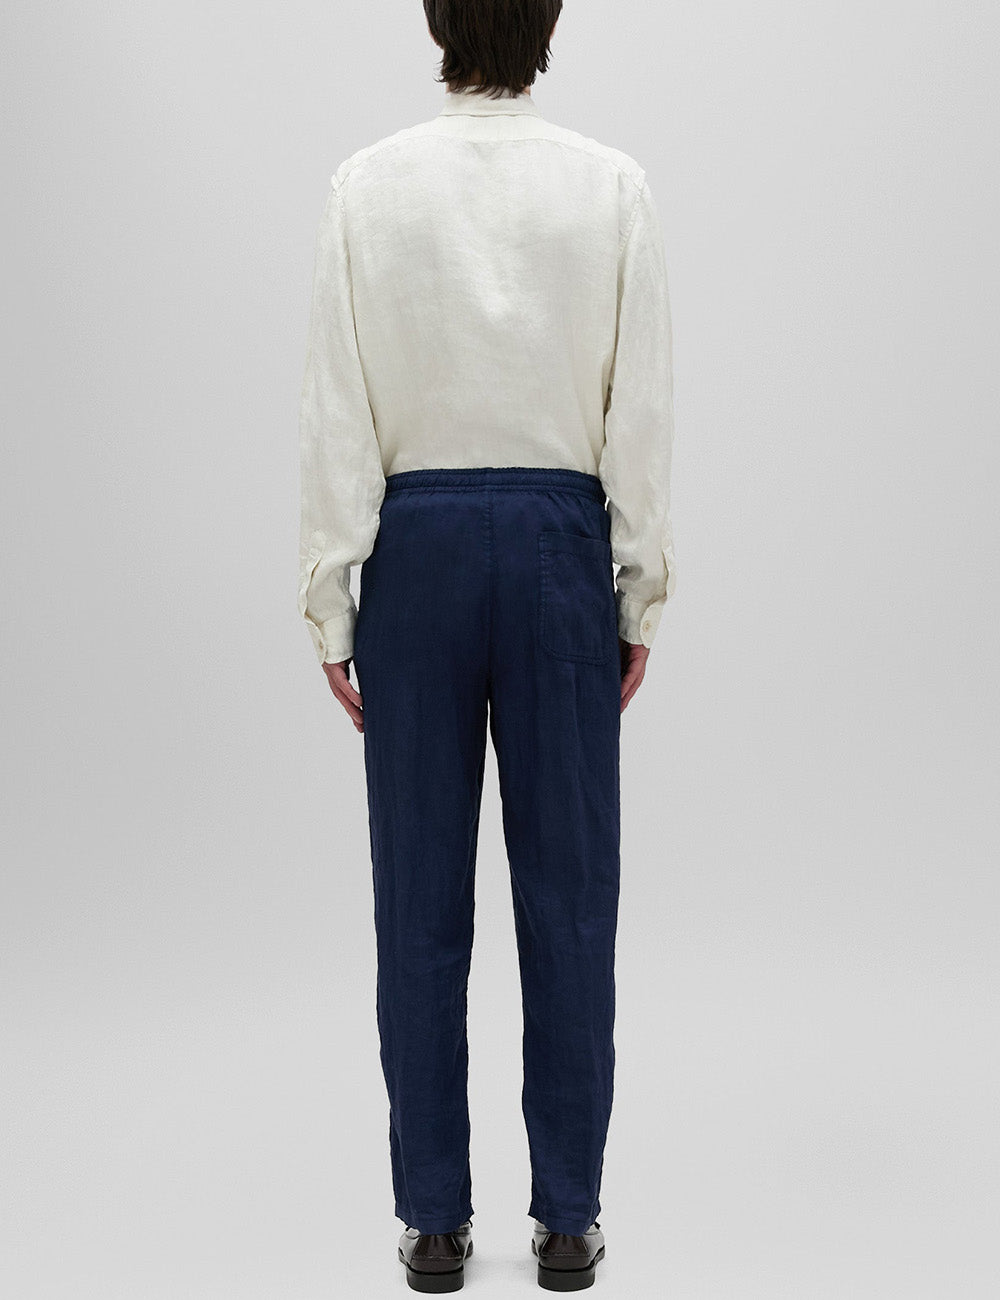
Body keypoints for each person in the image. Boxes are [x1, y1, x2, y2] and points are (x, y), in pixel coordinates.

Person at [297, 0, 677, 1290]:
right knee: (569, 896)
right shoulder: (610, 189)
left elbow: (339, 405)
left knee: (419, 897)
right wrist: (638, 590)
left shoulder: (366, 189)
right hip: (562, 542)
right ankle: (566, 1221)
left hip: (416, 550)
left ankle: (433, 1223)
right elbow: (640, 408)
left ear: (437, 21)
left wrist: (331, 593)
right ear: (547, 21)